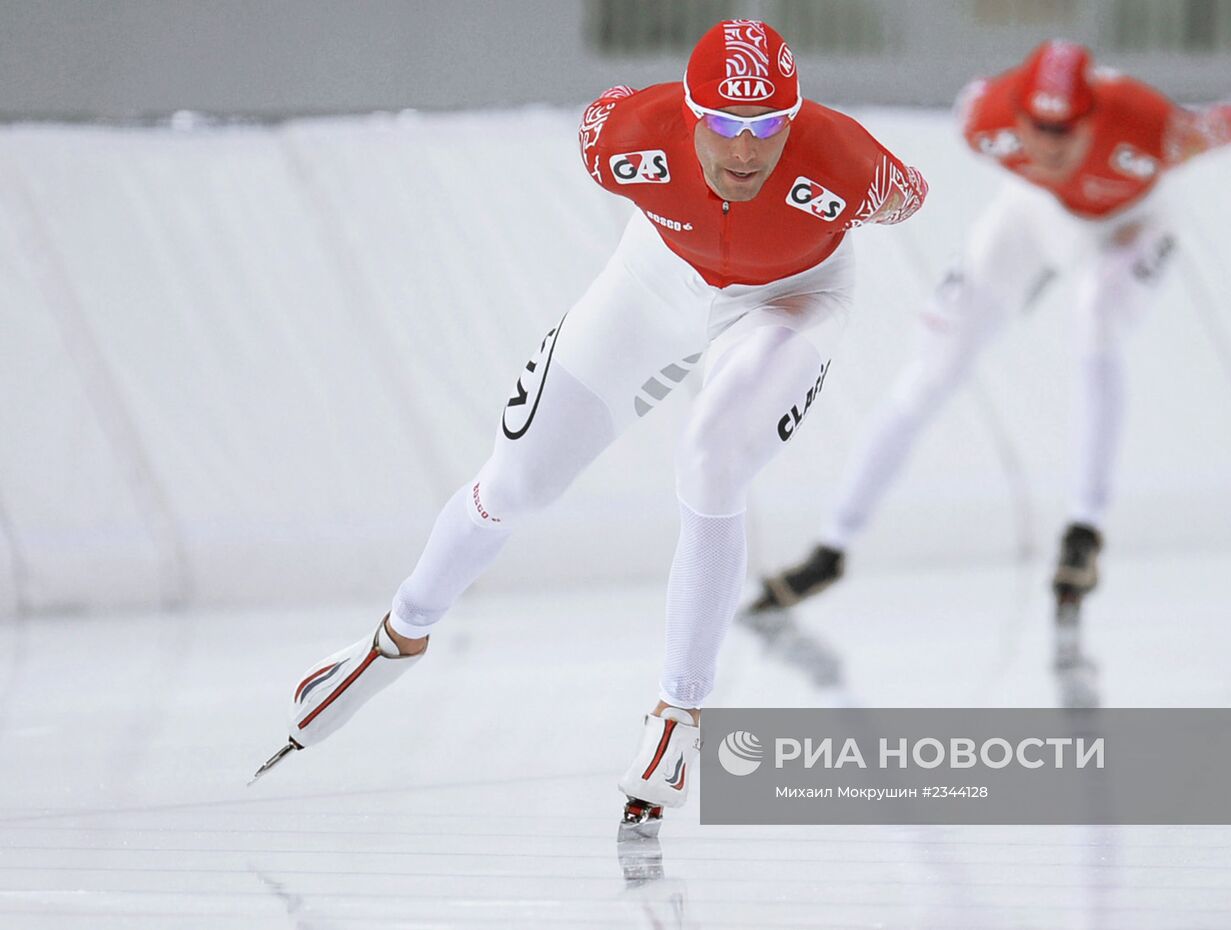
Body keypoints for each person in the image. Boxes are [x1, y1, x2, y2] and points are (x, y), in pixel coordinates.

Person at [254, 20, 927, 834]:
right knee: (514, 483)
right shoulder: (626, 139)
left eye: (766, 128)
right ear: (688, 112)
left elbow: (908, 194)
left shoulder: (848, 162)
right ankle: (397, 637)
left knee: (713, 462)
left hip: (792, 297)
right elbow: (597, 116)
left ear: (793, 117)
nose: (745, 151)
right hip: (656, 277)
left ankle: (679, 715)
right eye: (723, 124)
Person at [752, 40, 1231, 636]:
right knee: (930, 371)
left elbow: (1225, 127)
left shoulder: (1153, 129)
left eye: (1064, 128)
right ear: (1015, 118)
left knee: (1095, 323)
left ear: (1095, 116)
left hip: (1133, 224)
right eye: (1037, 127)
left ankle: (1083, 530)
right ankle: (829, 549)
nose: (1049, 143)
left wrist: (1223, 122)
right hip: (1033, 214)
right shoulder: (985, 123)